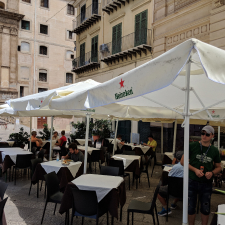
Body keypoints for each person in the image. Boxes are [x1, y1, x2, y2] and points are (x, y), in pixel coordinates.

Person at [181, 125, 222, 225]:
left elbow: (219, 167)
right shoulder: (192, 146)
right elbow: (182, 161)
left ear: (212, 136)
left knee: (205, 208)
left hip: (206, 183)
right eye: (203, 133)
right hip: (192, 181)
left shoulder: (215, 150)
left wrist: (212, 173)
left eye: (207, 134)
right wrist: (195, 170)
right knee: (190, 207)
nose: (204, 136)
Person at [157, 152, 184, 216]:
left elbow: (169, 176)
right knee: (180, 185)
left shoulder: (176, 167)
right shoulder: (192, 167)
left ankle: (165, 208)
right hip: (186, 191)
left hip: (173, 190)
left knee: (158, 191)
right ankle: (174, 203)